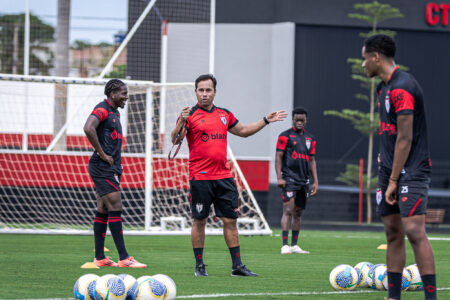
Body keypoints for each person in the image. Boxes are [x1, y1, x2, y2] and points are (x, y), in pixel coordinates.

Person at [171, 74, 287, 277]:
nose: (205, 94)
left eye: (208, 90)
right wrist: (180, 121)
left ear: (215, 92)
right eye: (201, 90)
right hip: (200, 178)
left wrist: (265, 120)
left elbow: (243, 131)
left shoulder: (224, 114)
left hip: (224, 177)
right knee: (200, 221)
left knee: (230, 221)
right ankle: (199, 266)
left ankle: (237, 266)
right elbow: (175, 139)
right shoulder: (189, 115)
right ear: (196, 92)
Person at [362, 34, 436, 300]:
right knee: (393, 233)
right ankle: (393, 297)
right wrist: (386, 168)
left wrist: (394, 179)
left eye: (364, 59)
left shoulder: (403, 86)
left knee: (415, 231)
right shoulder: (384, 88)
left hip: (411, 171)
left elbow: (405, 137)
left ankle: (431, 298)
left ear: (376, 57)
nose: (362, 65)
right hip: (389, 172)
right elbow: (391, 135)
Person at [83, 79, 147, 268]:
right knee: (115, 206)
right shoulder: (102, 109)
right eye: (123, 93)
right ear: (112, 94)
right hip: (102, 167)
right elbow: (88, 128)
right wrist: (103, 154)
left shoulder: (114, 113)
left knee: (103, 208)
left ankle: (100, 258)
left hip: (110, 168)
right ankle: (124, 258)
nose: (126, 97)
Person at [275, 107, 318, 255]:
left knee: (298, 213)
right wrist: (279, 177)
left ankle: (294, 245)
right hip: (289, 179)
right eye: (297, 120)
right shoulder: (284, 136)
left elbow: (312, 160)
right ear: (292, 120)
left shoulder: (310, 139)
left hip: (304, 181)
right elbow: (278, 157)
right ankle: (284, 245)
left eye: (302, 120)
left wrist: (315, 181)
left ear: (306, 121)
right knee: (287, 210)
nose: (299, 122)